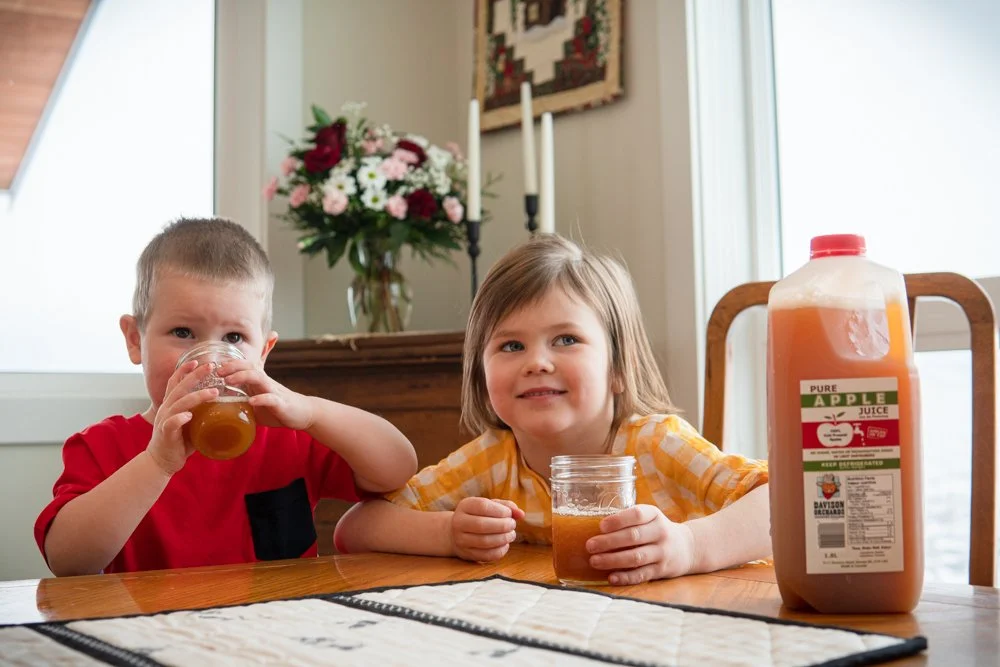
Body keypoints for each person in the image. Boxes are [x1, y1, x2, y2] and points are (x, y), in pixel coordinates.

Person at [335, 234, 770, 585]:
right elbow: (356, 528)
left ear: (619, 368)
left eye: (566, 340)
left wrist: (689, 546)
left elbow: (783, 505)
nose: (536, 362)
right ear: (482, 382)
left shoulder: (658, 444)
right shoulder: (492, 459)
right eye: (511, 345)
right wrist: (447, 534)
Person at [35, 217, 417, 576]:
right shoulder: (104, 446)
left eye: (234, 338)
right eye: (183, 332)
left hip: (272, 626)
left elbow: (398, 468)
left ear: (263, 353)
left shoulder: (288, 435)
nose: (212, 360)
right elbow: (68, 560)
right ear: (136, 340)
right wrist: (157, 462)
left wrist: (312, 411)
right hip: (150, 632)